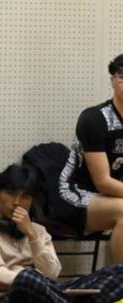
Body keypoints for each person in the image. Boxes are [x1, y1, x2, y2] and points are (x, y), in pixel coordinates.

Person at [0, 164, 123, 303]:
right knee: (26, 276)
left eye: (25, 196)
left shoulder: (38, 230)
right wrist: (41, 283)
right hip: (9, 300)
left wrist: (32, 235)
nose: (17, 203)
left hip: (49, 294)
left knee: (119, 271)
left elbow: (52, 272)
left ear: (32, 200)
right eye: (11, 194)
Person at [55, 53, 123, 264]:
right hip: (75, 194)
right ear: (112, 80)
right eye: (122, 75)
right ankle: (117, 289)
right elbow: (102, 182)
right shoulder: (94, 119)